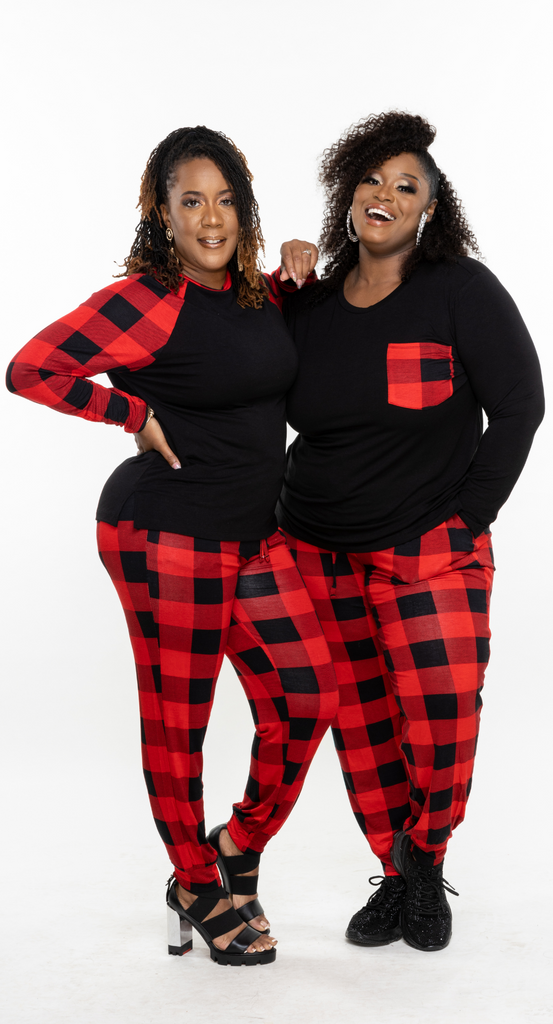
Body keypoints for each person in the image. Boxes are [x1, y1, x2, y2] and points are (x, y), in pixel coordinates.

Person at [6, 125, 339, 967]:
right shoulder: (146, 299)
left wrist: (293, 270)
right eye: (191, 202)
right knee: (179, 722)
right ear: (162, 214)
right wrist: (131, 412)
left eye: (225, 200)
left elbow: (247, 355)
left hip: (253, 532)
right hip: (166, 533)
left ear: (245, 209)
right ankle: (193, 882)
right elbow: (31, 368)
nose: (211, 219)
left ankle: (234, 846)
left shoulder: (254, 294)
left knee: (308, 696)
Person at [277, 111, 545, 952]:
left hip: (429, 549)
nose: (383, 195)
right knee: (361, 725)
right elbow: (239, 365)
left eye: (406, 186)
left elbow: (519, 406)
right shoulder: (311, 305)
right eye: (371, 179)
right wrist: (280, 280)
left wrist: (468, 520)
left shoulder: (459, 289)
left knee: (440, 716)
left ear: (429, 208)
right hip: (316, 550)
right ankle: (393, 876)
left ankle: (425, 860)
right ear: (346, 192)